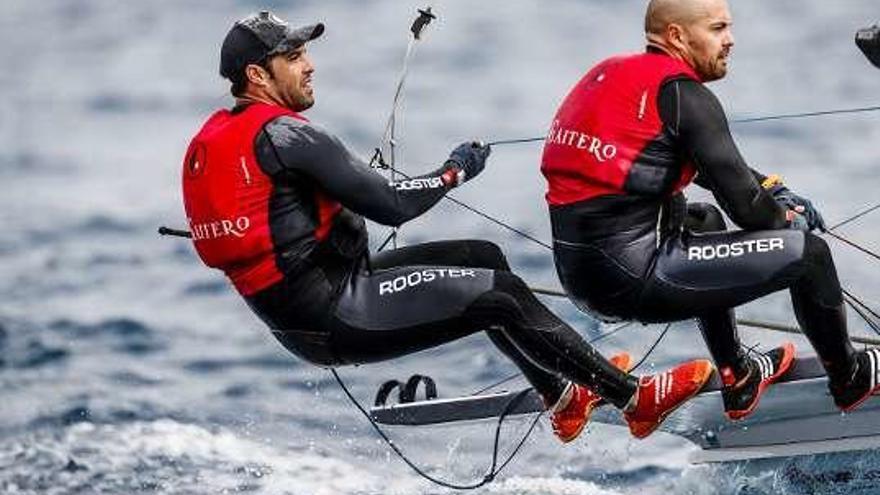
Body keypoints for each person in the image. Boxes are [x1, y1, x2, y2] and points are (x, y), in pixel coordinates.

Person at [181, 10, 714, 444]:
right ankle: (634, 399)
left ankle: (563, 395)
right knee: (499, 295)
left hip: (307, 308)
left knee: (481, 257)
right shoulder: (285, 137)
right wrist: (454, 170)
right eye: (294, 57)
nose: (310, 65)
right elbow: (392, 205)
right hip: (335, 308)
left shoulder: (222, 138)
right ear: (257, 75)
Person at [541, 0, 880, 421]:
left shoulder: (616, 74)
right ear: (677, 36)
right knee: (807, 255)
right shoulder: (687, 96)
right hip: (636, 277)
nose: (730, 40)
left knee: (704, 221)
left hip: (583, 276)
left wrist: (775, 188)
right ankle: (850, 378)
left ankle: (738, 377)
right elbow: (751, 212)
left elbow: (688, 161)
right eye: (718, 29)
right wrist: (787, 219)